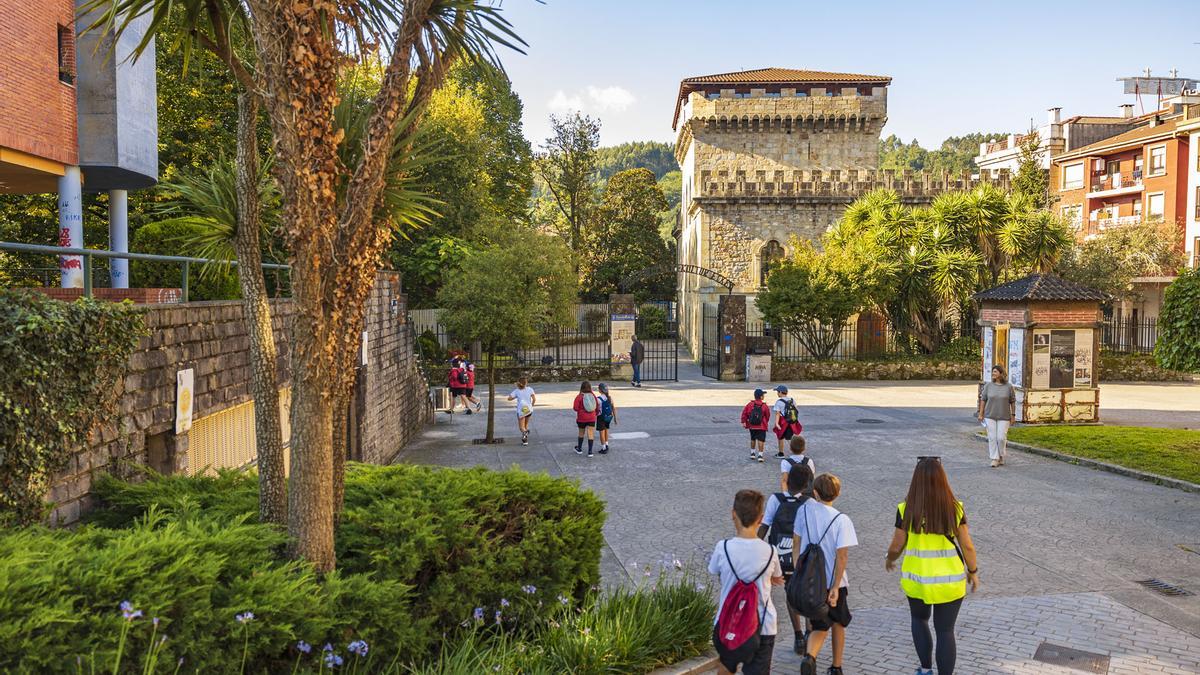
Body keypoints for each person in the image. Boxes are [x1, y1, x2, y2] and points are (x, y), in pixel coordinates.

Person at [885, 457, 980, 675]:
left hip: (917, 579)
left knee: (919, 620)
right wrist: (973, 572)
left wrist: (890, 559)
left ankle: (925, 669)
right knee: (946, 631)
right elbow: (967, 546)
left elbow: (897, 544)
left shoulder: (905, 509)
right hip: (950, 581)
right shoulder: (955, 509)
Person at [708, 489, 784, 675]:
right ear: (761, 518)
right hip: (763, 625)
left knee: (725, 667)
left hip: (729, 622)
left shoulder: (723, 548)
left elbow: (715, 571)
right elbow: (776, 577)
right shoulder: (771, 551)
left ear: (733, 514)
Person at [794, 474, 857, 675]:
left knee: (819, 624)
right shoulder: (841, 520)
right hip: (832, 581)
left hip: (810, 580)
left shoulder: (803, 511)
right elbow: (842, 556)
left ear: (815, 492)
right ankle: (836, 667)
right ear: (837, 494)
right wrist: (836, 587)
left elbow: (796, 543)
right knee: (838, 622)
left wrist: (799, 571)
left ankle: (810, 656)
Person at [760, 462, 815, 655]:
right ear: (806, 484)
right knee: (807, 593)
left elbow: (765, 525)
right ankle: (809, 632)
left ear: (788, 480)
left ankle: (798, 636)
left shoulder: (776, 499)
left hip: (781, 557)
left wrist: (755, 547)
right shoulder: (809, 503)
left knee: (790, 594)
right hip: (803, 557)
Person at [977, 365, 1016, 468]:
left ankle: (1001, 455)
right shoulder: (988, 386)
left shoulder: (1009, 387)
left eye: (995, 372)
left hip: (1004, 416)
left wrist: (1013, 415)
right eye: (993, 372)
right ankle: (995, 458)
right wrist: (981, 414)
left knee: (1001, 438)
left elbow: (1012, 401)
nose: (993, 374)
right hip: (990, 415)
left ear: (1001, 373)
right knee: (992, 437)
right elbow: (983, 399)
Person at [772, 385, 803, 459]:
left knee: (783, 437)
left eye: (777, 392)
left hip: (783, 423)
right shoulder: (792, 400)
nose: (777, 393)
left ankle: (796, 454)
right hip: (791, 422)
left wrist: (776, 423)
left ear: (780, 392)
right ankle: (781, 453)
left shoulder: (779, 402)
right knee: (788, 437)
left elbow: (777, 414)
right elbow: (796, 410)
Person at [741, 388, 771, 462]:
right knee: (761, 440)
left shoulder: (750, 404)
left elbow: (744, 413)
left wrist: (744, 421)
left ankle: (752, 453)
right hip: (761, 426)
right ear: (761, 397)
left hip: (752, 426)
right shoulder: (764, 406)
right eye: (763, 395)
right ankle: (760, 455)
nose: (764, 396)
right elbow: (768, 415)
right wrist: (765, 422)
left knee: (753, 439)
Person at [573, 381, 599, 457]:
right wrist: (595, 413)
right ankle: (590, 452)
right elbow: (597, 406)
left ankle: (579, 449)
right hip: (591, 417)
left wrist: (581, 410)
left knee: (581, 433)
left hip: (582, 418)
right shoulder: (593, 395)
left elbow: (575, 408)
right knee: (590, 433)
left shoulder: (579, 396)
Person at [507, 377, 536, 446]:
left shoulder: (516, 391)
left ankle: (525, 433)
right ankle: (525, 440)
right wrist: (531, 405)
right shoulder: (530, 389)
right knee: (525, 426)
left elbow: (509, 398)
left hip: (521, 410)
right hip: (529, 410)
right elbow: (534, 399)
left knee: (521, 428)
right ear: (526, 383)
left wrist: (515, 396)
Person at [596, 383, 617, 455]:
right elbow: (613, 408)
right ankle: (607, 444)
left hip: (601, 417)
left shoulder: (598, 399)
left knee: (601, 433)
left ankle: (604, 448)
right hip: (608, 416)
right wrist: (615, 419)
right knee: (606, 431)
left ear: (600, 390)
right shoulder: (610, 398)